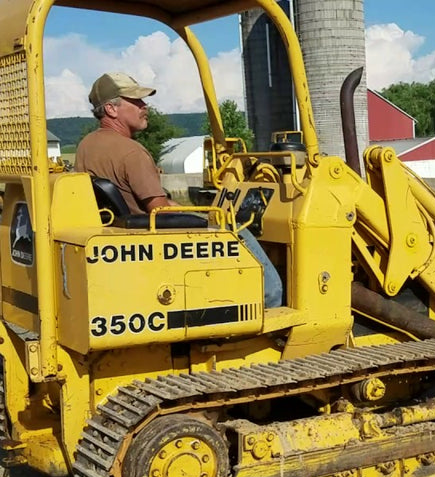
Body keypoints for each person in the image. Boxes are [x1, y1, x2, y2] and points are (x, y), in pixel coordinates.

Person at [77, 72, 283, 308]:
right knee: (235, 228)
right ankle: (270, 301)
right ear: (112, 110)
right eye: (135, 101)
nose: (145, 106)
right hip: (150, 236)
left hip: (121, 231)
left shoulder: (86, 146)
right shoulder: (132, 153)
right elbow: (160, 209)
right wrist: (199, 213)